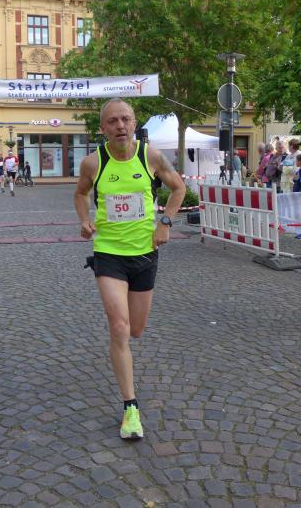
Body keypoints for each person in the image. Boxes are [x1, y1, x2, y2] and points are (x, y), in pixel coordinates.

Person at [74, 98, 185, 440]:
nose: (120, 125)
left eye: (125, 119)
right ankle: (130, 407)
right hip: (109, 253)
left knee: (136, 329)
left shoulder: (151, 157)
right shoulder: (93, 162)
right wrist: (85, 220)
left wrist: (165, 222)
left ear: (135, 124)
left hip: (145, 254)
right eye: (113, 121)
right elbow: (80, 194)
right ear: (103, 128)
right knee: (119, 327)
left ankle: (128, 392)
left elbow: (179, 188)